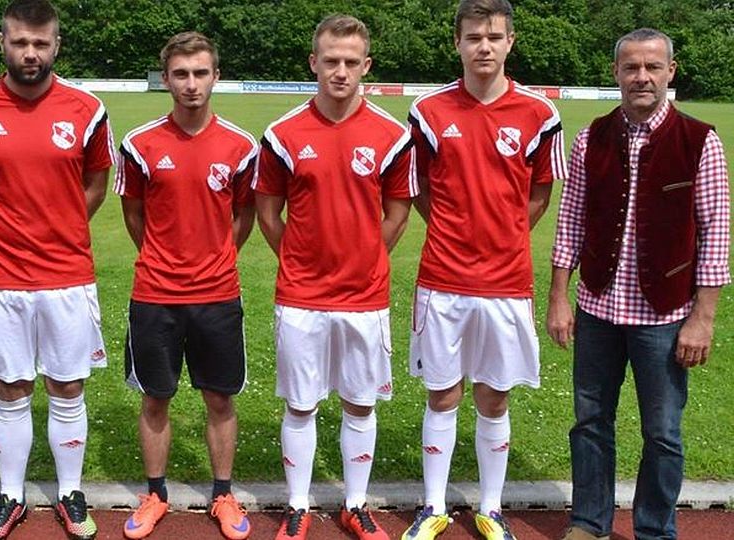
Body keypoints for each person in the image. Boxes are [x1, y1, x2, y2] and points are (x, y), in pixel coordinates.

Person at [548, 28, 730, 540]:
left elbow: (715, 232)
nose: (642, 77)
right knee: (589, 423)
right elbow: (572, 220)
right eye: (632, 68)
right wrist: (560, 296)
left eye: (652, 67)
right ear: (616, 74)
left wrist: (704, 317)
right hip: (598, 308)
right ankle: (589, 522)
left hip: (666, 317)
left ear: (671, 71)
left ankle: (654, 529)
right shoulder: (592, 137)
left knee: (663, 433)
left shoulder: (700, 141)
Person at [0, 1, 114, 539]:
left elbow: (95, 184)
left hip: (67, 276)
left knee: (68, 387)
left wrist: (61, 227)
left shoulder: (87, 108)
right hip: (0, 280)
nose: (31, 53)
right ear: (3, 43)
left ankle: (69, 494)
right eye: (20, 42)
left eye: (41, 43)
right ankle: (12, 497)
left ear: (56, 46)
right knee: (11, 389)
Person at [401, 1, 567, 539]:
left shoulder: (541, 114)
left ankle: (491, 509)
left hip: (507, 280)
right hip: (443, 279)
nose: (484, 46)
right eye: (474, 37)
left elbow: (541, 191)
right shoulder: (428, 112)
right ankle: (432, 507)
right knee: (443, 393)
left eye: (495, 36)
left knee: (494, 395)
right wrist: (452, 226)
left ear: (511, 42)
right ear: (458, 44)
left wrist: (505, 233)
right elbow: (417, 186)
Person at [255, 14, 415, 540]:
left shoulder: (392, 135)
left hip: (364, 297)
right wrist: (299, 260)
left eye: (350, 62)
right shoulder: (282, 133)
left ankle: (356, 503)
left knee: (359, 402)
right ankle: (298, 506)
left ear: (365, 65)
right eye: (331, 61)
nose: (340, 72)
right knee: (300, 404)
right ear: (314, 63)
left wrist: (368, 254)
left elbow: (397, 212)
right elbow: (268, 214)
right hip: (301, 296)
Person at [113, 32, 257, 540]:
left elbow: (244, 215)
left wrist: (214, 258)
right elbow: (133, 213)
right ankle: (156, 493)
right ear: (165, 77)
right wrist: (162, 256)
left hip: (218, 294)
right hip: (155, 293)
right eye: (181, 74)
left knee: (219, 399)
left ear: (215, 75)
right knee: (156, 397)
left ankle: (222, 495)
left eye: (200, 73)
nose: (191, 84)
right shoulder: (140, 144)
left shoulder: (241, 146)